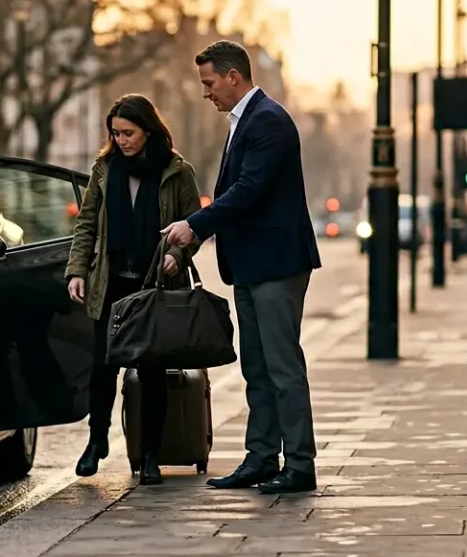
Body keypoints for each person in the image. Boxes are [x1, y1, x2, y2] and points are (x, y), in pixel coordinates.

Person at [161, 40, 321, 495]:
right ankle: (262, 457)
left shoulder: (268, 120)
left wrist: (194, 225)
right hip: (253, 264)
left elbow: (248, 191)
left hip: (276, 263)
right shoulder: (245, 121)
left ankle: (300, 464)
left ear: (234, 77)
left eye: (210, 82)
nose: (205, 92)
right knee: (257, 366)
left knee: (282, 366)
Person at [64, 94, 202, 486]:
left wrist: (177, 254)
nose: (121, 141)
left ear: (148, 130)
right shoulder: (105, 169)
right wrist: (77, 271)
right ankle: (97, 442)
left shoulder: (177, 171)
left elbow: (195, 225)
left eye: (128, 133)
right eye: (116, 134)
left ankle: (151, 454)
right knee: (102, 368)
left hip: (154, 285)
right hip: (110, 283)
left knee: (152, 371)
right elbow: (86, 223)